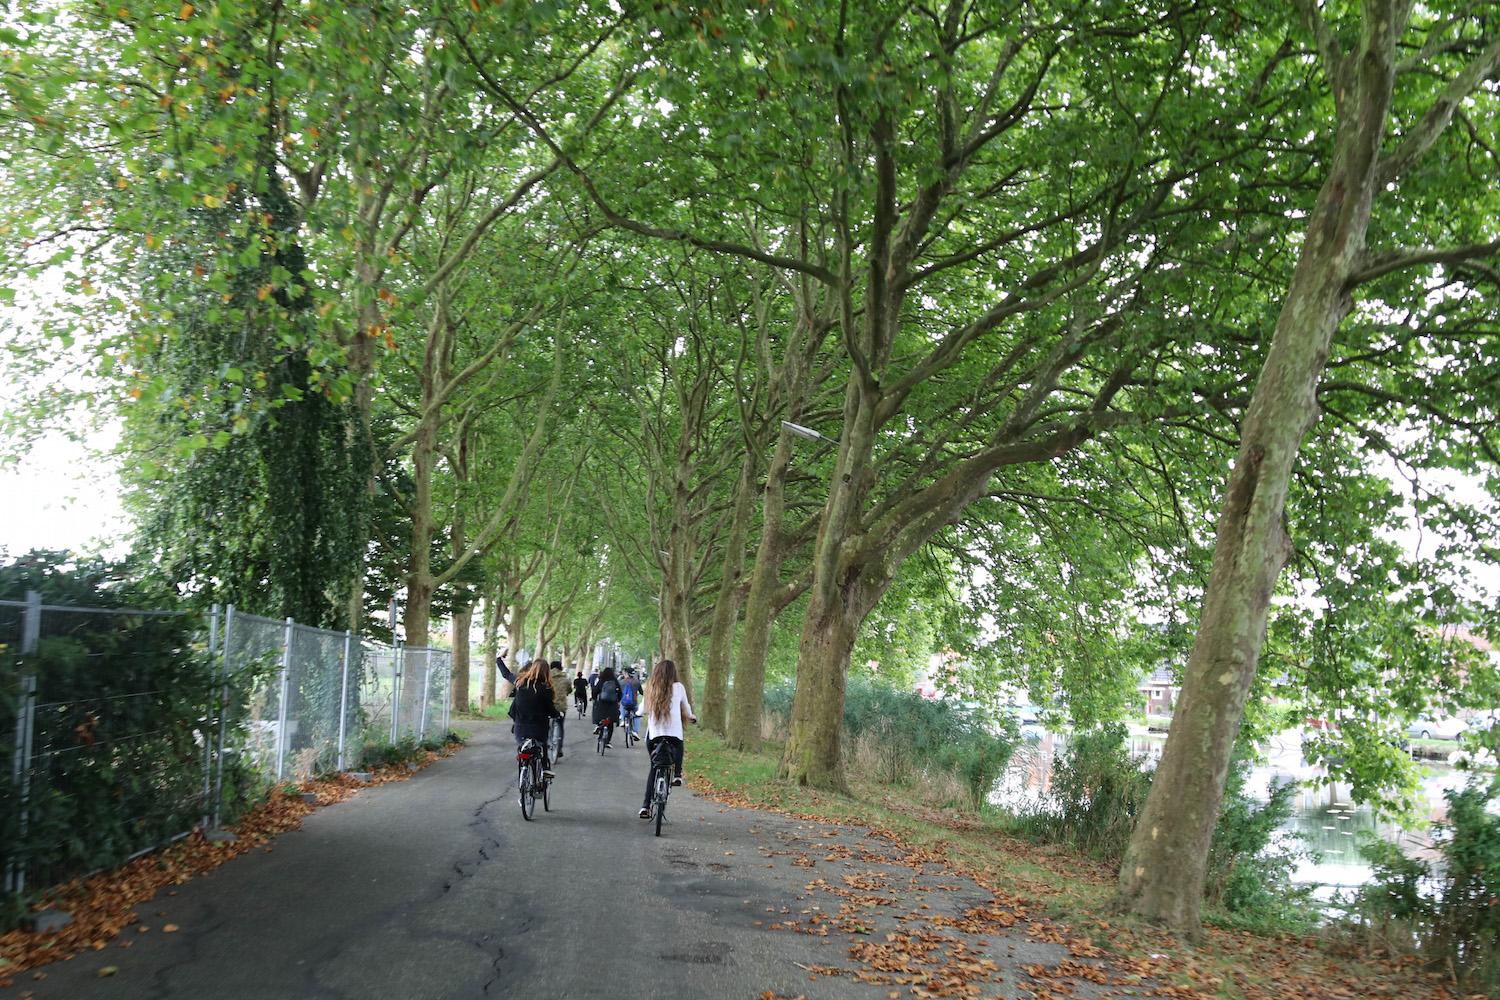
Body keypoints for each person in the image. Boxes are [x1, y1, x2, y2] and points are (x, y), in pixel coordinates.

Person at [638, 659, 695, 818]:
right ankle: (677, 774)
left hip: (655, 736)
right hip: (674, 734)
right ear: (673, 673)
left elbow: (642, 709)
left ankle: (645, 807)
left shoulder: (651, 687)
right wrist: (691, 716)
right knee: (678, 745)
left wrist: (638, 714)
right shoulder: (679, 687)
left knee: (654, 767)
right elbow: (687, 707)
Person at [507, 659, 561, 778]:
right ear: (547, 672)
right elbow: (550, 709)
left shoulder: (520, 682)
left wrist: (499, 659)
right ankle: (545, 768)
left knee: (522, 748)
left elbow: (506, 674)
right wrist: (557, 714)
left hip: (520, 727)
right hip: (538, 729)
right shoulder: (546, 689)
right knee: (542, 746)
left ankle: (523, 773)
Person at [592, 665, 622, 749]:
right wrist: (617, 700)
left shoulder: (601, 681)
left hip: (602, 703)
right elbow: (620, 693)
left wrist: (594, 698)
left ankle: (599, 726)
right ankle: (608, 741)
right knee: (610, 723)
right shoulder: (615, 681)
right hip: (612, 705)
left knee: (599, 717)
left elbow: (595, 690)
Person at [548, 660, 570, 759]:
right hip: (561, 706)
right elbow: (569, 690)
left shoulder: (547, 678)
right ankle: (559, 747)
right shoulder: (564, 679)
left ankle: (547, 742)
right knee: (560, 726)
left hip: (549, 706)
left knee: (547, 725)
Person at [619, 669, 639, 738]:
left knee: (622, 705)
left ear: (626, 674)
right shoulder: (637, 682)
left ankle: (623, 720)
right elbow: (642, 692)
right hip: (634, 703)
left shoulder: (621, 682)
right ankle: (635, 731)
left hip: (624, 703)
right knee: (637, 715)